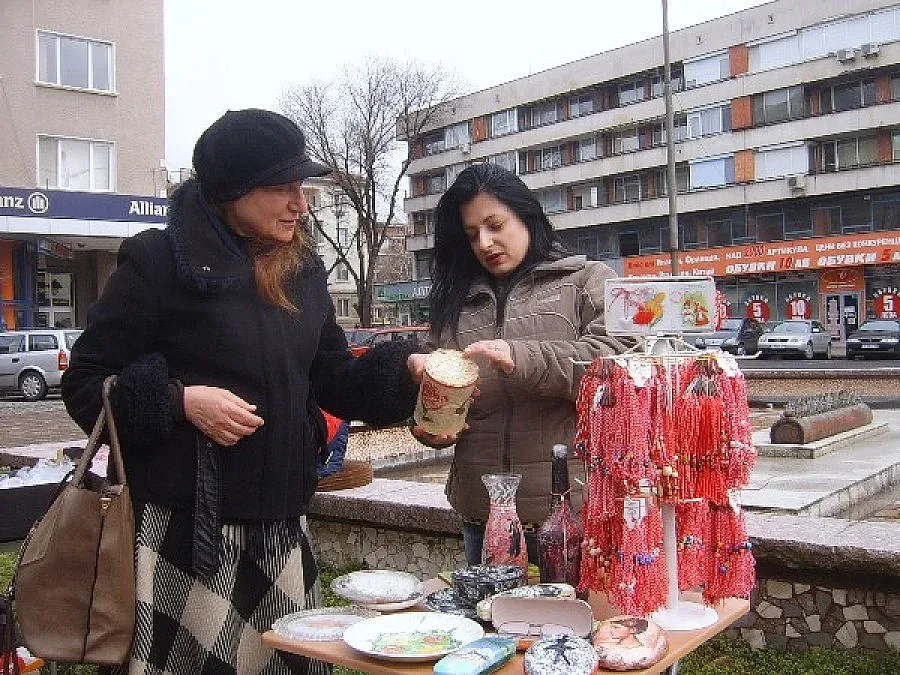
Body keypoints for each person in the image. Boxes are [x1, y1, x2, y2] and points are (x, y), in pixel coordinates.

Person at [61, 108, 425, 675]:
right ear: (231, 191)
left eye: (301, 186)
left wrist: (407, 372)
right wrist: (180, 401)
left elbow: (331, 377)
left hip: (281, 528)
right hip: (182, 536)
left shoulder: (303, 268)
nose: (299, 204)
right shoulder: (156, 262)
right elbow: (85, 383)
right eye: (280, 188)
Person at [412, 163, 627, 566]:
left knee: (571, 626)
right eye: (472, 234)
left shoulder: (586, 280)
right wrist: (431, 422)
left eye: (495, 225)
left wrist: (522, 358)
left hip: (568, 514)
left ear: (526, 216)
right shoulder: (459, 301)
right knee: (488, 623)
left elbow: (618, 361)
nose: (485, 243)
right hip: (482, 512)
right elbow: (440, 408)